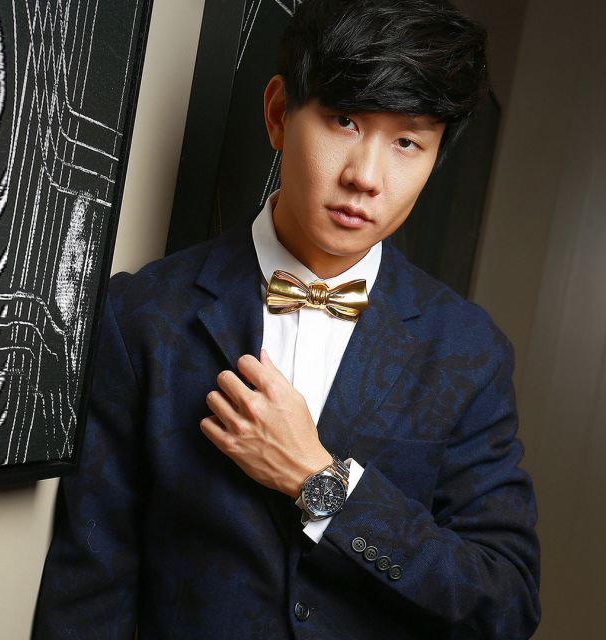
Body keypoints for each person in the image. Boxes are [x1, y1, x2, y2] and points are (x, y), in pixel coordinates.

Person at [32, 0, 541, 638]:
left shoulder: (468, 350)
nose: (365, 177)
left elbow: (505, 603)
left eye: (407, 142)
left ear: (434, 158)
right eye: (344, 121)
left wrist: (319, 482)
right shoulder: (143, 316)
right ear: (278, 113)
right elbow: (88, 590)